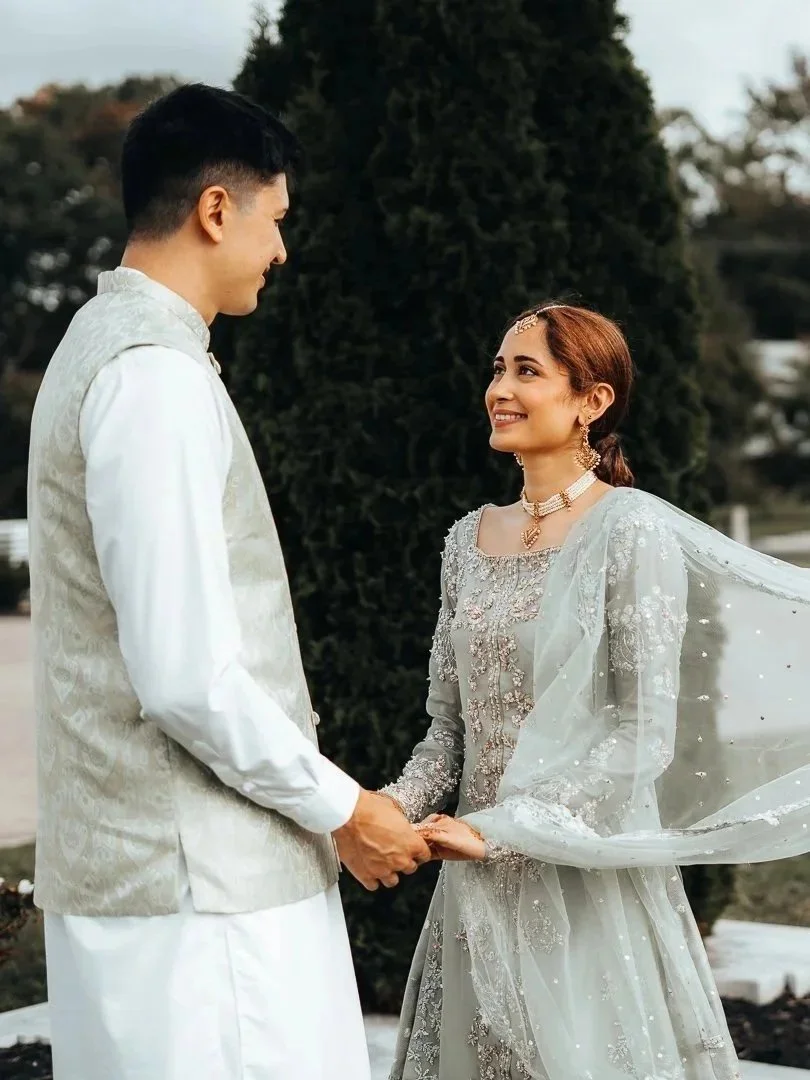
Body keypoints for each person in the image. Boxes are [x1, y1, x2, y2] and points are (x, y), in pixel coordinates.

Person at [27, 83, 430, 1080]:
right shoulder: (151, 377)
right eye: (275, 218)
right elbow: (186, 677)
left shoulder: (103, 350)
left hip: (164, 887)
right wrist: (344, 807)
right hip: (202, 900)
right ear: (216, 209)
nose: (281, 250)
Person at [381, 301, 810, 1080]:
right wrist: (382, 809)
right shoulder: (466, 540)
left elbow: (642, 739)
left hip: (584, 880)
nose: (500, 389)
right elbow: (447, 735)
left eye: (527, 371)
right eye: (498, 369)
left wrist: (504, 830)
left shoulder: (630, 529)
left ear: (592, 400)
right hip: (474, 886)